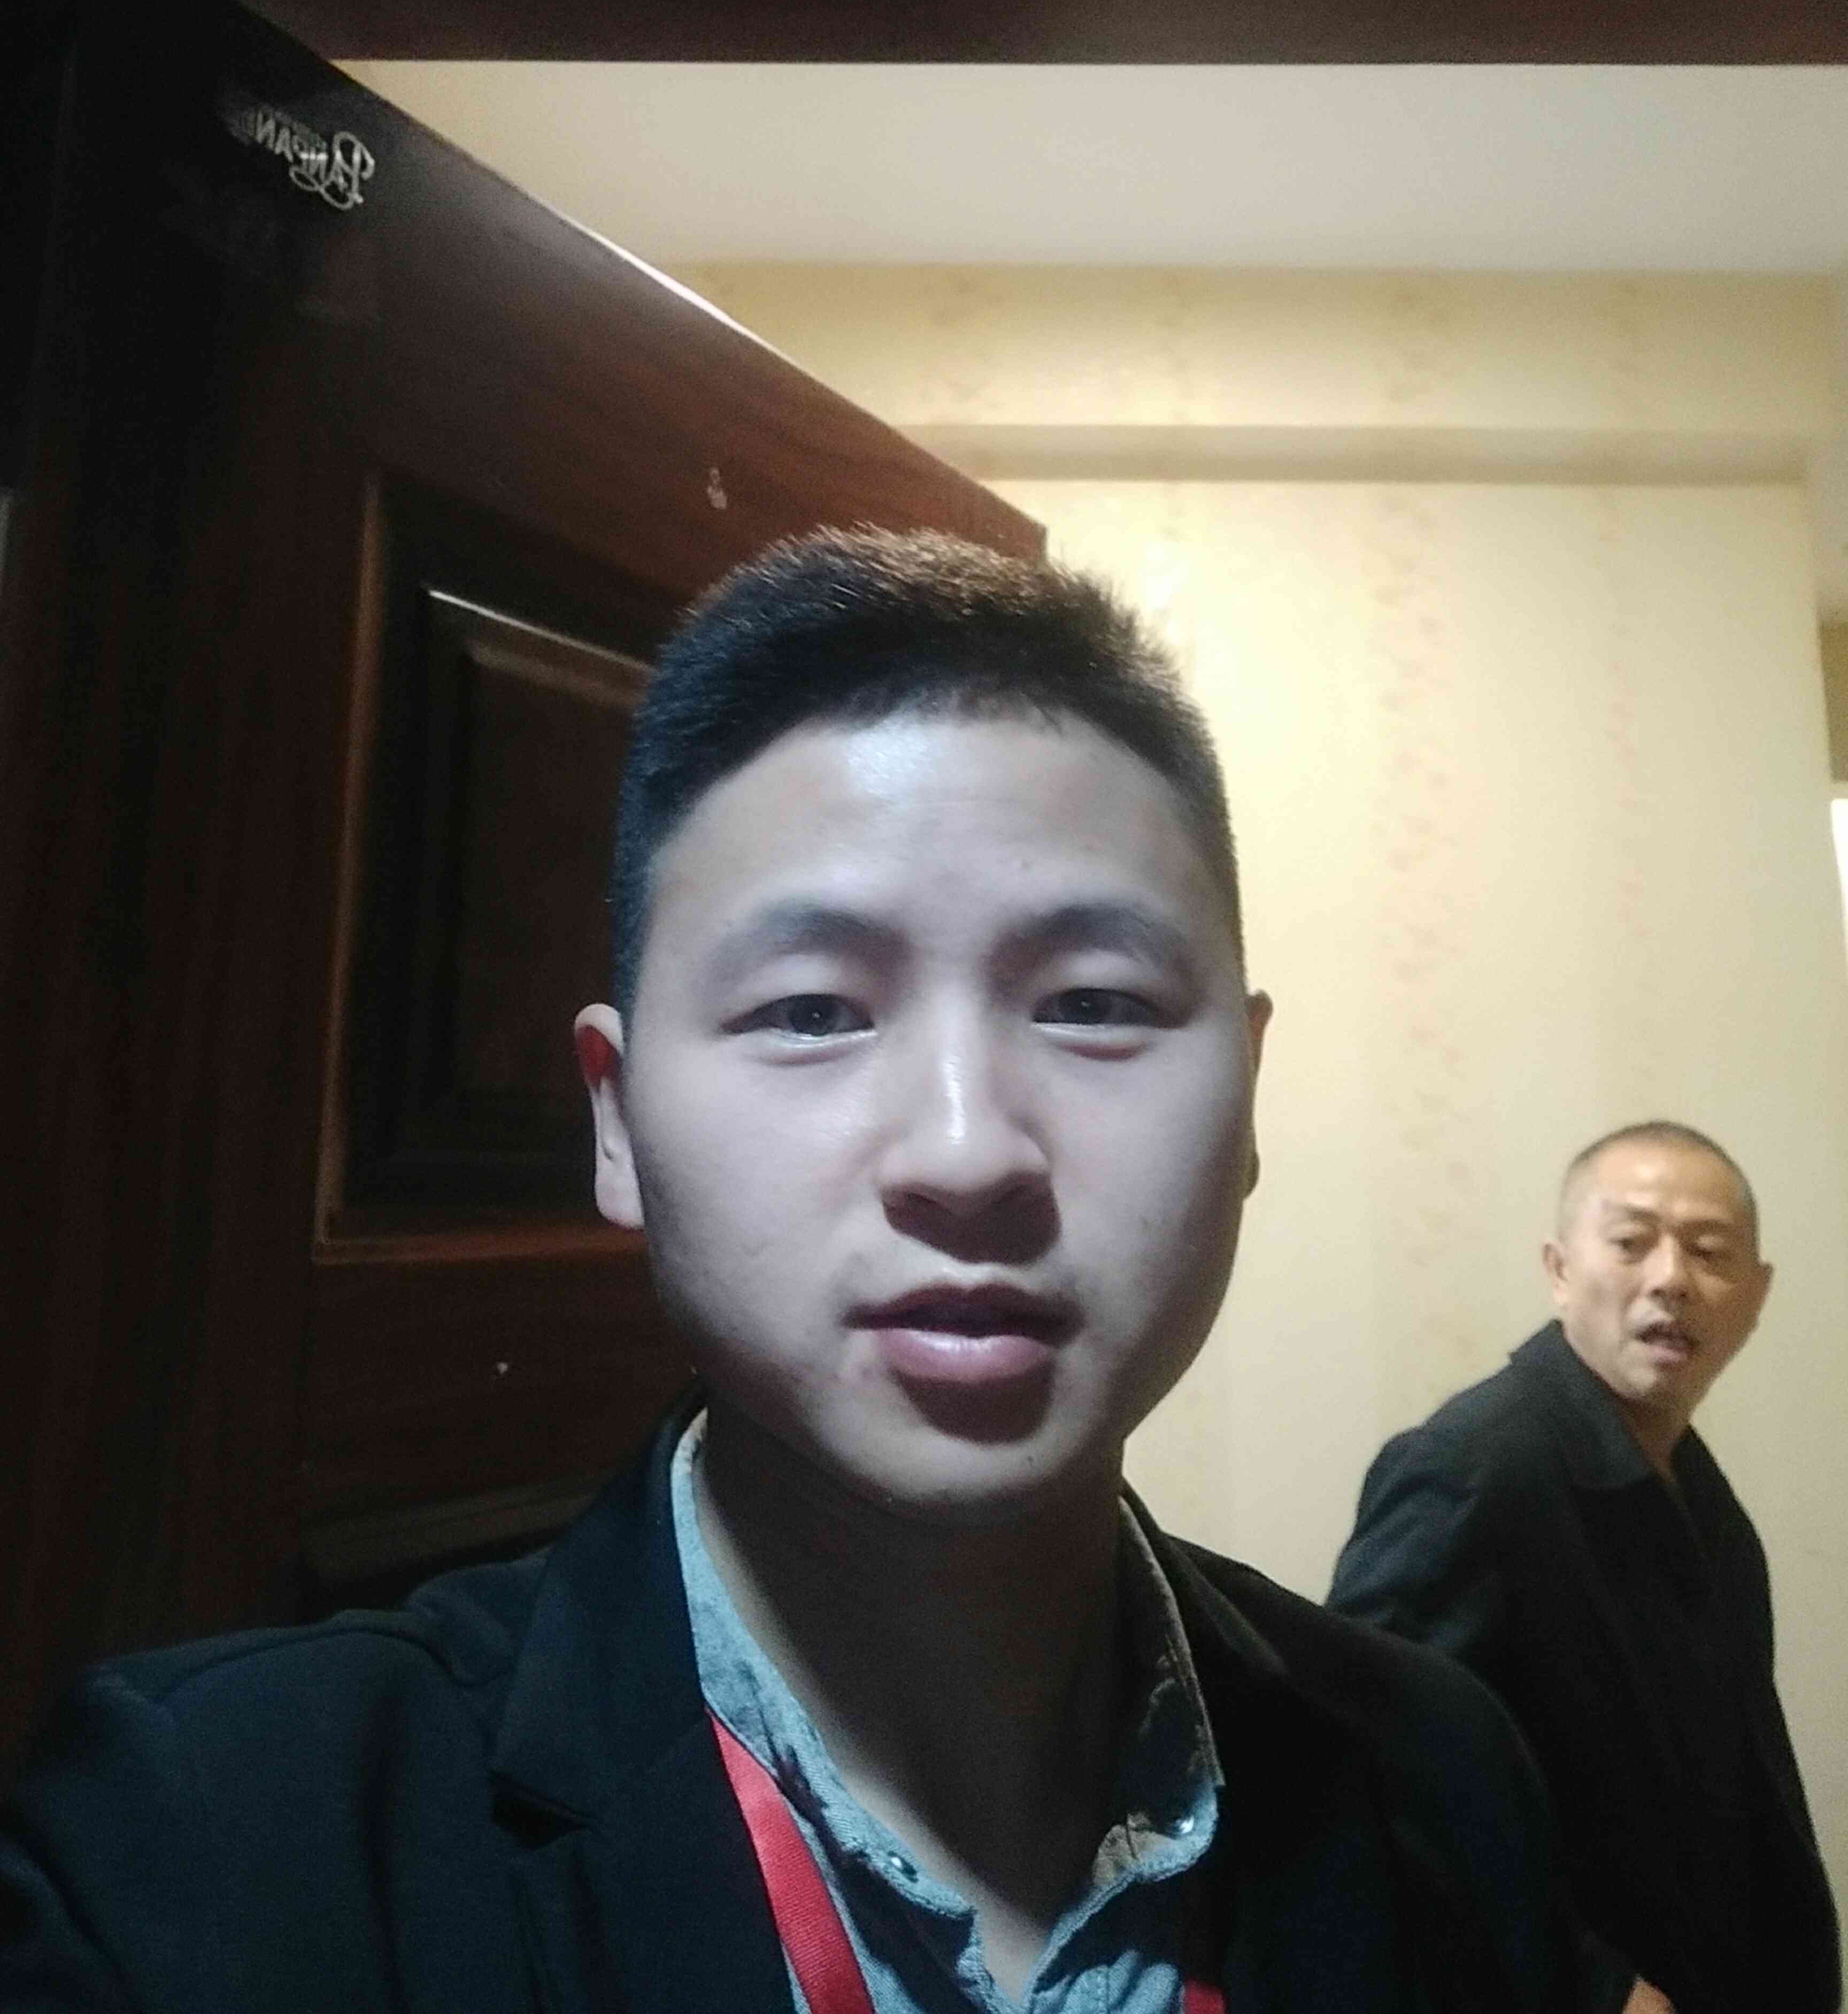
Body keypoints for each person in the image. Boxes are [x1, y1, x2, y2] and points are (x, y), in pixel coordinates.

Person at [4, 528, 1587, 2013]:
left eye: (1095, 1002)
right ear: (616, 1123)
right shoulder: (211, 1849)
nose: (966, 1150)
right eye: (813, 1011)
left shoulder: (1444, 1782)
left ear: (1247, 1100)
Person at [1328, 1122, 1841, 2014]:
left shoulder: (1703, 1503)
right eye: (1633, 1242)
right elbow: (1364, 1776)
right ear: (1560, 1270)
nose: (1672, 1278)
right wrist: (1592, 1986)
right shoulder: (1479, 1467)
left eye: (1709, 1252)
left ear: (1756, 1296)